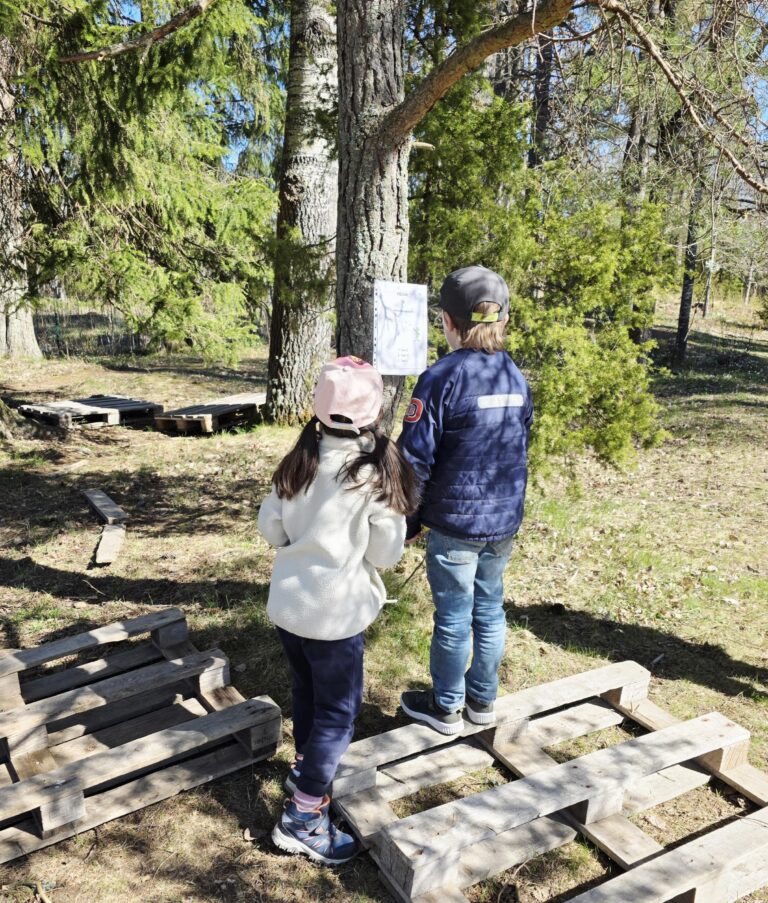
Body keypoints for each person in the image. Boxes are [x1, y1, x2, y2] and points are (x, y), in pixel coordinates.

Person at [258, 356, 418, 864]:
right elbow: (385, 554)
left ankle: (305, 769)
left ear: (317, 409)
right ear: (375, 413)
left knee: (306, 691)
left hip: (290, 608)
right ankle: (303, 816)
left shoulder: (297, 462)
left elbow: (271, 528)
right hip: (337, 617)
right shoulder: (373, 476)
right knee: (339, 716)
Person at [397, 265, 533, 735]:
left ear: (447, 322)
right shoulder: (515, 375)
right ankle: (482, 701)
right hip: (502, 523)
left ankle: (446, 707)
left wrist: (408, 520)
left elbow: (413, 459)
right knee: (490, 610)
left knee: (455, 617)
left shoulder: (440, 377)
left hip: (455, 526)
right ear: (504, 320)